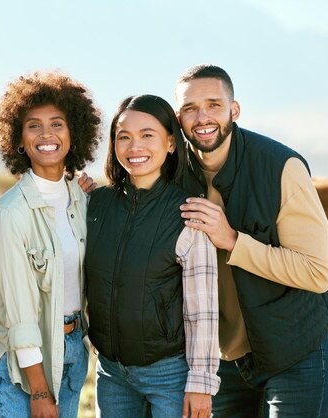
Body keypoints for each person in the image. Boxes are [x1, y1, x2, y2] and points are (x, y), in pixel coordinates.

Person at [175, 64, 328, 417]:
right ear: (179, 117)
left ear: (235, 110)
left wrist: (233, 240)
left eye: (214, 105)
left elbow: (318, 272)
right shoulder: (172, 172)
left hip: (293, 349)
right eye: (190, 108)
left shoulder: (282, 167)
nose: (202, 117)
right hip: (223, 360)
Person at [85, 94, 220, 418]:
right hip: (111, 373)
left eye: (148, 135)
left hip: (169, 375)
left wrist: (201, 383)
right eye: (124, 137)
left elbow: (203, 311)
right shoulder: (95, 205)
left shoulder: (189, 213)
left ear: (171, 144)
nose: (135, 147)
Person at [0, 71, 102, 418]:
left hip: (73, 349)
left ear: (73, 133)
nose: (46, 134)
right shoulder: (11, 213)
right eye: (33, 125)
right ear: (18, 138)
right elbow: (19, 313)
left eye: (57, 124)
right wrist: (39, 389)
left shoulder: (81, 199)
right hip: (23, 365)